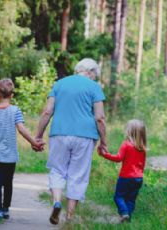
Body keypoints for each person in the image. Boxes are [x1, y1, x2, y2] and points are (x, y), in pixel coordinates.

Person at [33, 58, 108, 224]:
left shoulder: (59, 84)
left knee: (57, 170)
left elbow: (47, 111)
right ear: (90, 72)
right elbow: (100, 118)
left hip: (59, 133)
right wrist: (104, 142)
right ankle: (70, 217)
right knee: (78, 174)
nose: (95, 79)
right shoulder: (94, 87)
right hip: (85, 136)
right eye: (95, 75)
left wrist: (38, 136)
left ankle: (57, 201)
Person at [0, 78, 43, 219]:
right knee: (8, 182)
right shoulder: (16, 111)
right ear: (12, 95)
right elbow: (22, 129)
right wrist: (34, 142)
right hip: (10, 155)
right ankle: (5, 209)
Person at [98, 119, 147, 223]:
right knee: (131, 199)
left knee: (118, 196)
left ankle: (124, 213)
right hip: (138, 178)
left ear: (129, 131)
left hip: (126, 177)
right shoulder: (143, 148)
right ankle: (127, 218)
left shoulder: (126, 144)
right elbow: (142, 165)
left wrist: (104, 154)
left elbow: (118, 158)